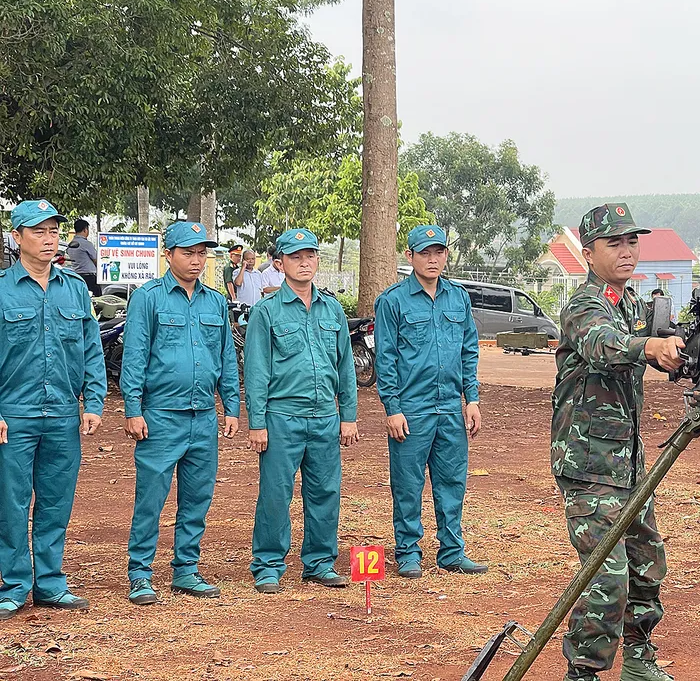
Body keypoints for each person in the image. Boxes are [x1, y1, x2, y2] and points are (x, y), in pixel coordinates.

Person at [551, 203, 685, 681]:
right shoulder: (584, 306)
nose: (627, 251)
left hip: (628, 463)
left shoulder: (630, 303)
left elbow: (659, 336)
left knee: (647, 564)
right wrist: (648, 347)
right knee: (606, 578)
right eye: (614, 243)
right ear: (589, 253)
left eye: (632, 241)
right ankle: (583, 673)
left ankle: (639, 660)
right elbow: (601, 344)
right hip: (588, 464)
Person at [119, 221, 241, 606]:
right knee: (151, 499)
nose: (196, 260)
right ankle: (140, 573)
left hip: (203, 417)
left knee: (197, 497)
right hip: (160, 417)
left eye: (202, 253)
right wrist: (133, 409)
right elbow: (135, 358)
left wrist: (232, 407)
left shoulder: (216, 301)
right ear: (167, 255)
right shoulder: (148, 298)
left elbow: (226, 358)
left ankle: (186, 569)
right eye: (188, 253)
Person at [0, 200, 106, 620]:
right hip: (14, 414)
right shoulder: (2, 289)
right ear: (16, 237)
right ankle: (12, 585)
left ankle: (50, 583)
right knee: (11, 502)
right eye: (39, 231)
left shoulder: (75, 288)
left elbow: (91, 350)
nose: (49, 239)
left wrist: (93, 401)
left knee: (56, 501)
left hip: (63, 413)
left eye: (53, 231)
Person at [244, 228, 359, 594]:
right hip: (282, 417)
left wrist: (349, 416)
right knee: (276, 494)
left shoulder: (332, 309)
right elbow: (257, 371)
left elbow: (345, 367)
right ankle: (267, 565)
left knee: (326, 492)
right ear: (279, 264)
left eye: (310, 255)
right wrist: (257, 423)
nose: (304, 262)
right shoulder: (266, 312)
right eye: (295, 257)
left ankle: (320, 563)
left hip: (325, 417)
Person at [374, 224, 484, 579]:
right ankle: (408, 553)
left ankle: (452, 552)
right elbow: (386, 358)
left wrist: (472, 399)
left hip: (451, 406)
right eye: (424, 253)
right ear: (410, 256)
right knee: (407, 484)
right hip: (412, 408)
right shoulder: (392, 301)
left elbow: (469, 349)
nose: (433, 259)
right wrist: (392, 408)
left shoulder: (458, 297)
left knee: (452, 482)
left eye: (439, 252)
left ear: (446, 255)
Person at [65, 219, 101, 296]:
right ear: (85, 230)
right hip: (89, 278)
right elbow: (96, 260)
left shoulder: (70, 244)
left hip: (76, 276)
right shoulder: (86, 244)